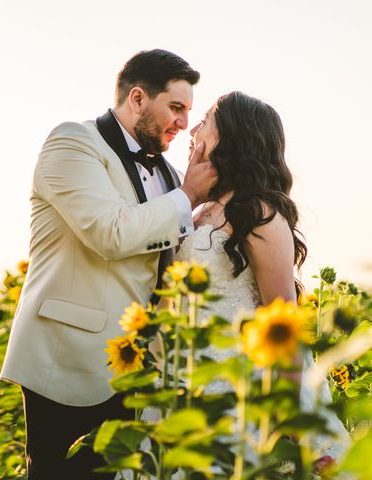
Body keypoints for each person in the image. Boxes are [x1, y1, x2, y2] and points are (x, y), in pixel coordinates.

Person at [0, 49, 217, 480]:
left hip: (138, 370)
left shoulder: (172, 177)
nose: (183, 122)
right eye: (175, 107)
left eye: (188, 111)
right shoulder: (72, 143)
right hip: (67, 359)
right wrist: (189, 198)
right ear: (137, 98)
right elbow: (109, 233)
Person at [132, 91, 349, 478]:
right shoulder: (196, 211)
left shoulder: (259, 212)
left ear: (233, 135)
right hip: (181, 392)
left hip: (237, 398)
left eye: (208, 119)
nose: (193, 128)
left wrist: (292, 419)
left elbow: (282, 325)